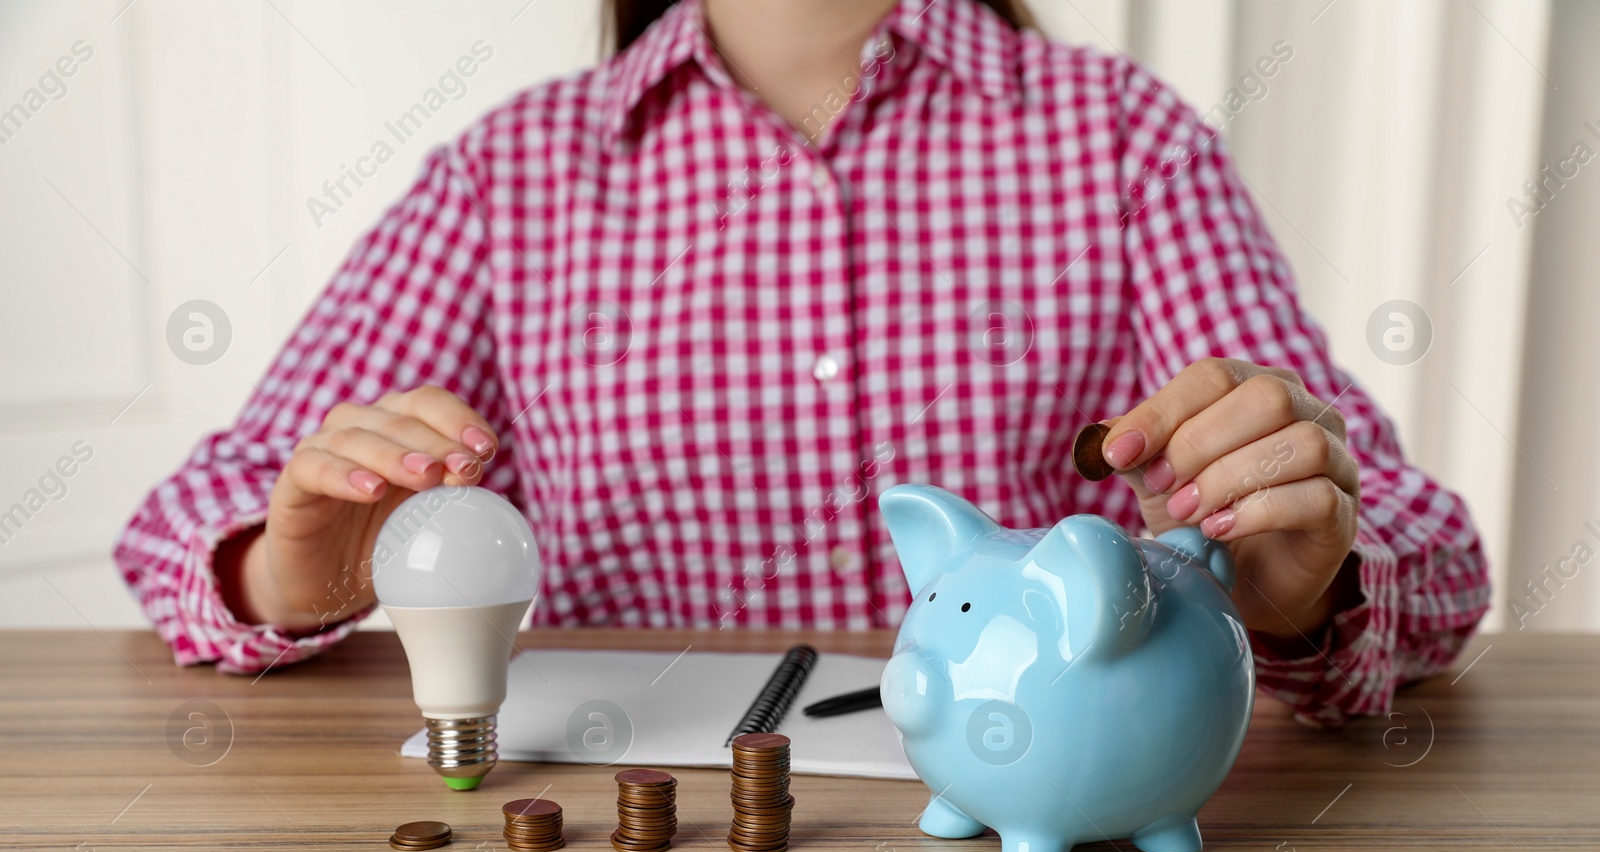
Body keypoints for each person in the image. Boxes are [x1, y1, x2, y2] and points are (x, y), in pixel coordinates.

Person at [115, 0, 1489, 727]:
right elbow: (187, 521)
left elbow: (1429, 552)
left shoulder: (1124, 144)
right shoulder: (506, 180)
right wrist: (297, 572)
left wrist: (1305, 588)